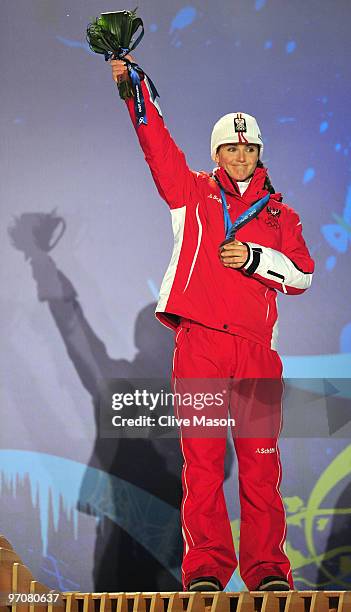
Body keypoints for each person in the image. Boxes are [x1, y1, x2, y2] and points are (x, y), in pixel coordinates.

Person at [109, 57, 314, 592]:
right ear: (216, 154)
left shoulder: (281, 217)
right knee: (201, 464)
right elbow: (159, 148)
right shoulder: (193, 194)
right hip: (198, 344)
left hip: (257, 353)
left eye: (249, 148)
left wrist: (252, 259)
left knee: (261, 465)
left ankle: (268, 571)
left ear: (259, 153)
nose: (240, 156)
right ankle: (205, 570)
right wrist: (135, 93)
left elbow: (303, 278)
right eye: (230, 147)